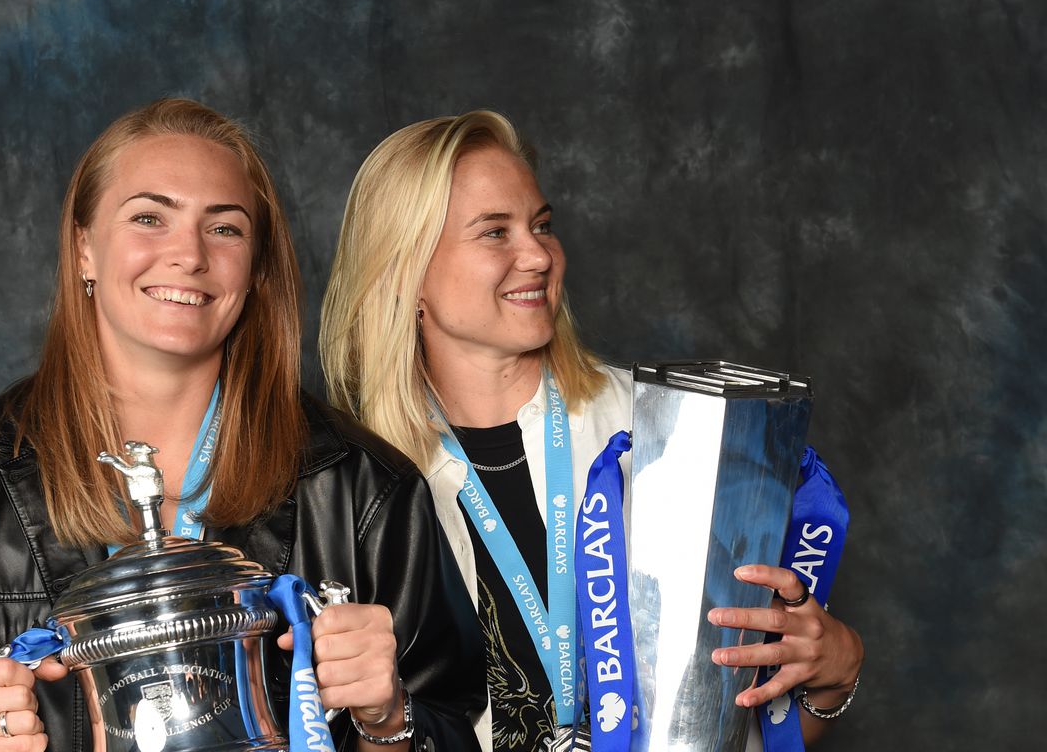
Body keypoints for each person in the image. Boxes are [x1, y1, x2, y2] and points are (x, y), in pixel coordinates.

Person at [0, 98, 485, 752]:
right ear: (84, 249)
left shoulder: (362, 491)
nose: (188, 255)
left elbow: (450, 723)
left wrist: (389, 723)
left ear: (257, 268)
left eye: (225, 228)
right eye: (149, 218)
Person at [319, 111, 865, 751]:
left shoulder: (665, 432)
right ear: (405, 271)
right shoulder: (353, 490)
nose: (537, 255)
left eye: (542, 225)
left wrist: (833, 678)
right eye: (494, 232)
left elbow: (727, 724)